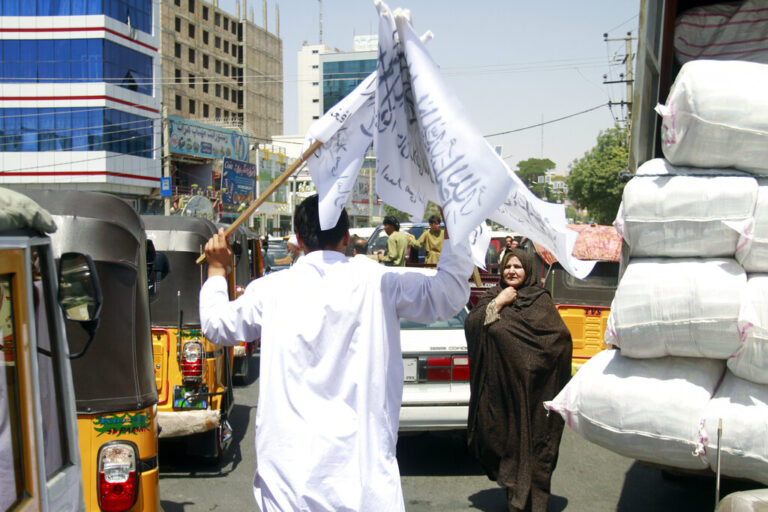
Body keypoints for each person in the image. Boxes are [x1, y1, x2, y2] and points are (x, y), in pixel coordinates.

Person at [199, 194, 473, 511]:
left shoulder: (271, 290)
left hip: (290, 487)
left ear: (299, 239)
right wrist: (455, 230)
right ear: (346, 237)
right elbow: (449, 294)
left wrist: (217, 270)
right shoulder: (379, 282)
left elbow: (217, 326)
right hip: (364, 487)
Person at [464, 248, 572, 512]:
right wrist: (498, 302)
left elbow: (560, 340)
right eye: (508, 266)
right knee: (505, 444)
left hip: (536, 395)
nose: (512, 271)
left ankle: (534, 505)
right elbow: (472, 325)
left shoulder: (540, 300)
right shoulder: (494, 295)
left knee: (536, 449)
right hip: (501, 395)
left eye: (518, 267)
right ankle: (515, 497)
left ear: (529, 269)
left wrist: (534, 365)